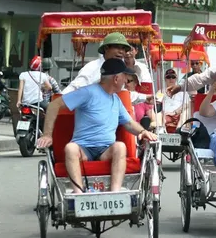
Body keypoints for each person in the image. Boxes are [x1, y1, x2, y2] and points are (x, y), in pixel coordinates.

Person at [37, 58, 158, 194]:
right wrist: (47, 134)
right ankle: (78, 193)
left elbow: (129, 123)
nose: (126, 81)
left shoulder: (116, 99)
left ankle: (115, 193)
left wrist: (143, 131)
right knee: (70, 148)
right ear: (116, 78)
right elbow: (54, 104)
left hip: (105, 150)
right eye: (125, 77)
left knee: (120, 146)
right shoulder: (88, 92)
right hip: (83, 149)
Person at [62, 32, 153, 105]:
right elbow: (69, 92)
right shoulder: (92, 68)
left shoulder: (120, 70)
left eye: (123, 49)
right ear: (106, 48)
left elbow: (121, 94)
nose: (121, 52)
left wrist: (145, 98)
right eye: (117, 47)